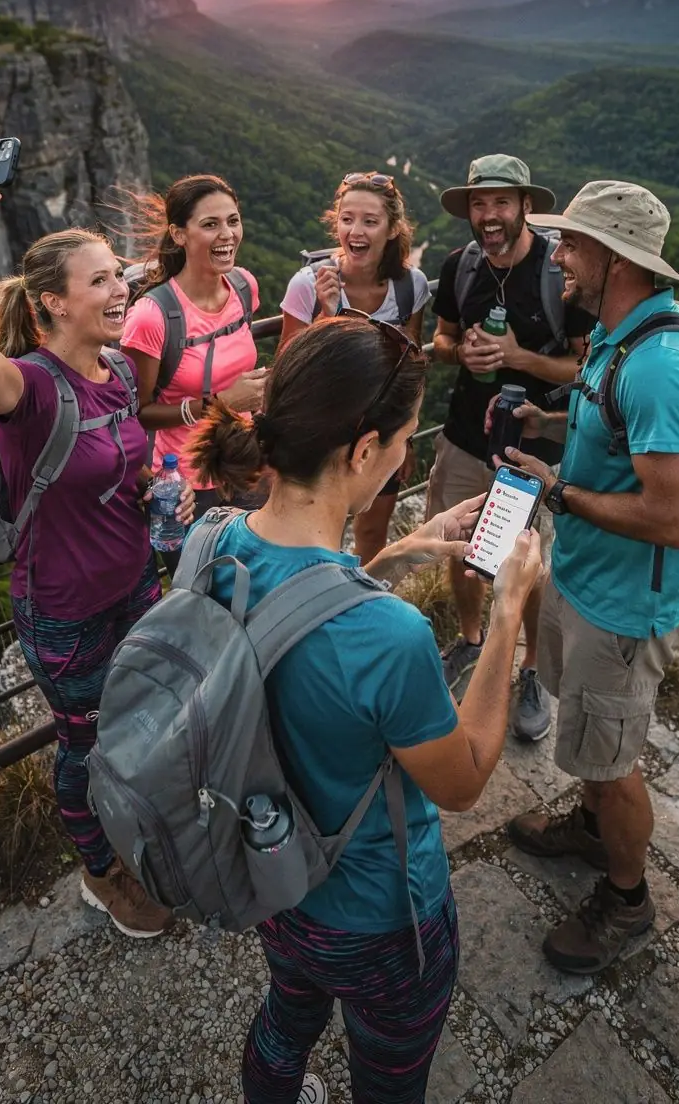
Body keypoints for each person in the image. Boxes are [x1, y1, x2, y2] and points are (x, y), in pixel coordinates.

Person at [190, 312, 541, 1104]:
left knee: (287, 1015)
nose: (407, 455)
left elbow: (299, 625)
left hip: (270, 873)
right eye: (404, 439)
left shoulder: (213, 543)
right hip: (377, 915)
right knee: (388, 1072)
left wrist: (397, 554)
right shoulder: (390, 636)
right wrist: (509, 610)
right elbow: (463, 780)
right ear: (359, 452)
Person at [0, 134, 195, 939]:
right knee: (86, 748)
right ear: (52, 302)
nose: (124, 287)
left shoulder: (116, 371)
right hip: (65, 612)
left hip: (137, 586)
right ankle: (100, 872)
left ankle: (144, 831)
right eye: (102, 280)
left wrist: (159, 490)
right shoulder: (32, 388)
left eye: (121, 273)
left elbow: (119, 464)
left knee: (148, 722)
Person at [499, 180, 679, 974]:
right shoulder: (615, 336)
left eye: (572, 244)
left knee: (613, 760)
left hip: (627, 605)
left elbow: (673, 519)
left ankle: (627, 898)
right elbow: (610, 425)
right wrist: (550, 425)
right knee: (593, 738)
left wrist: (556, 489)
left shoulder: (665, 365)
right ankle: (593, 831)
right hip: (585, 576)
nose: (558, 256)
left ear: (616, 258)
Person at [429, 154, 591, 733]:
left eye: (502, 202)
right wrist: (459, 354)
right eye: (479, 203)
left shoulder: (558, 274)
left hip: (532, 447)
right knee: (459, 544)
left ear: (526, 206)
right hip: (465, 435)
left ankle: (529, 669)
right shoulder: (461, 267)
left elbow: (586, 369)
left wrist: (521, 359)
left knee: (526, 563)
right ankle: (471, 641)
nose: (489, 215)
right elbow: (443, 339)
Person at [280, 170, 430, 562]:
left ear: (393, 228)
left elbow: (410, 366)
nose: (355, 231)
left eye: (370, 221)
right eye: (347, 219)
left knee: (371, 532)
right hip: (322, 432)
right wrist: (326, 320)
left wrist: (404, 440)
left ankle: (361, 607)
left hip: (381, 432)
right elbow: (287, 374)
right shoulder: (308, 285)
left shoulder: (410, 286)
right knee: (313, 533)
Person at [120, 174, 266, 577]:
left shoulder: (243, 286)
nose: (227, 235)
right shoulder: (152, 317)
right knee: (203, 592)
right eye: (210, 224)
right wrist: (219, 405)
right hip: (186, 486)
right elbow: (136, 413)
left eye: (233, 221)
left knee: (255, 580)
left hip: (246, 464)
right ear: (178, 234)